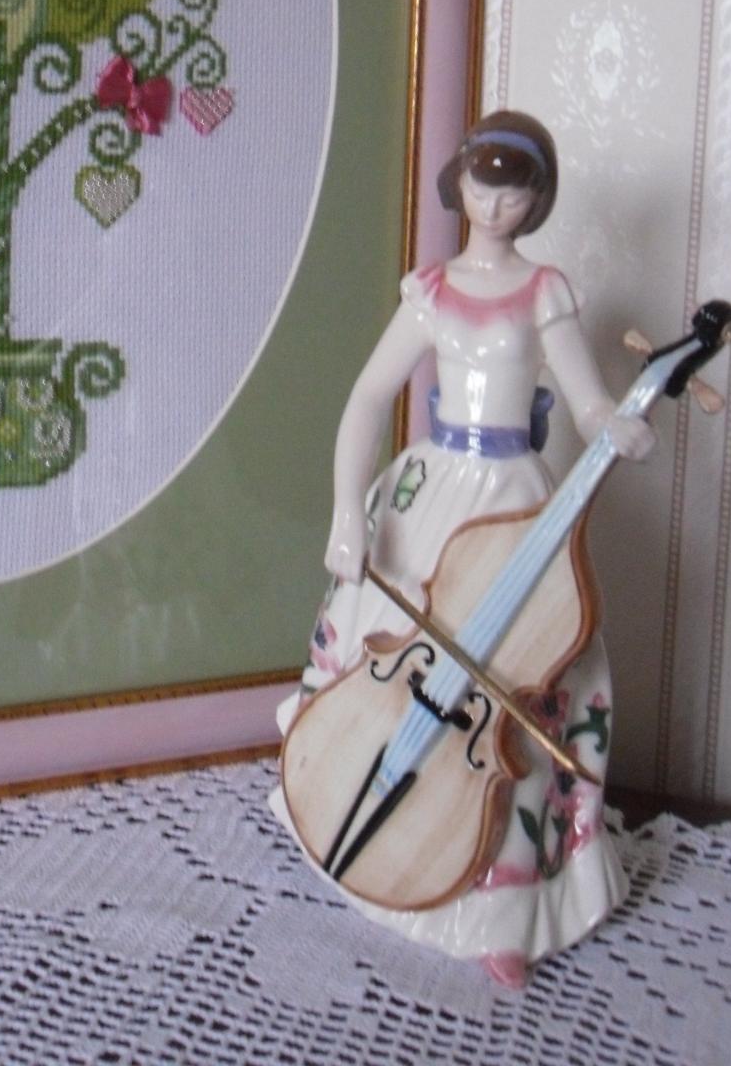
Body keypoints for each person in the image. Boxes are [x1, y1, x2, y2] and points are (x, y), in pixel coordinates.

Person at [270, 111, 654, 986]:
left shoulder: (545, 292)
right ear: (461, 184)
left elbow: (588, 400)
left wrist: (616, 422)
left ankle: (500, 908)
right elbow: (368, 398)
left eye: (517, 189)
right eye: (485, 182)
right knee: (387, 648)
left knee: (523, 683)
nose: (498, 202)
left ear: (537, 199)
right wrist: (346, 513)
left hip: (513, 495)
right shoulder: (433, 290)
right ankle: (346, 819)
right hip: (430, 490)